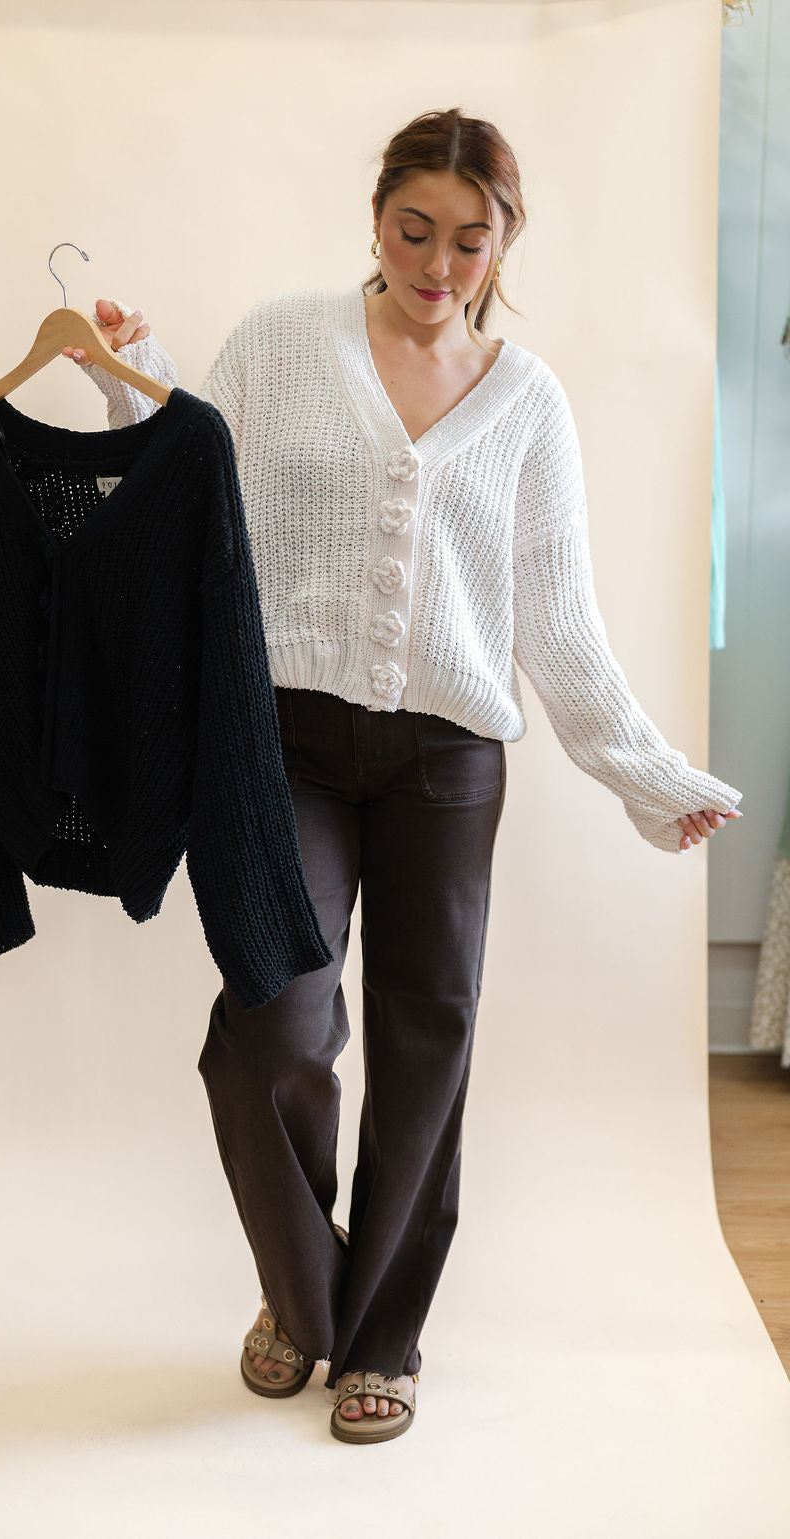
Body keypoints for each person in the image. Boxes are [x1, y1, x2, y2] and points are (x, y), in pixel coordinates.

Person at [62, 108, 743, 1444]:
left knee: (429, 1041)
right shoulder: (282, 343)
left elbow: (557, 620)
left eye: (468, 241)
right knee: (275, 1022)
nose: (437, 264)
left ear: (505, 242)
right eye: (413, 230)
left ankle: (383, 1338)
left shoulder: (528, 403)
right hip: (286, 746)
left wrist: (648, 774)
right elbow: (199, 490)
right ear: (375, 218)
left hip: (448, 762)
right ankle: (303, 1296)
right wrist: (136, 380)